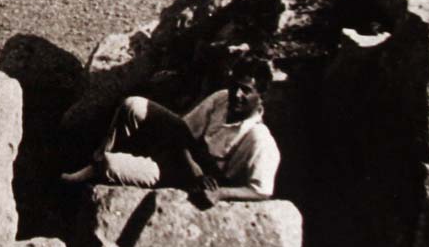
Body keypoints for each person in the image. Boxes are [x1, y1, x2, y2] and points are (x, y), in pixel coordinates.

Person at [61, 68, 280, 201]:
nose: (236, 94)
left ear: (262, 96)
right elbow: (184, 130)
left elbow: (261, 191)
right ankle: (92, 164)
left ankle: (91, 177)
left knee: (111, 165)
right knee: (133, 105)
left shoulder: (258, 139)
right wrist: (191, 163)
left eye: (245, 90)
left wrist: (220, 193)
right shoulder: (222, 98)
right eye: (234, 86)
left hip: (182, 178)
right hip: (184, 155)